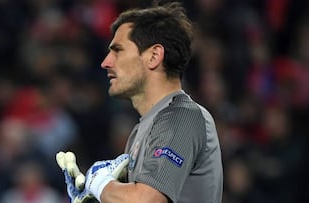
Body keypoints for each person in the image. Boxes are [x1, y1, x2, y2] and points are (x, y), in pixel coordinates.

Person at [59, 1, 223, 203]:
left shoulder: (182, 116)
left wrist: (100, 183)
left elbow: (146, 201)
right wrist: (95, 197)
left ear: (154, 56)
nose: (106, 62)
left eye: (117, 50)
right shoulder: (140, 131)